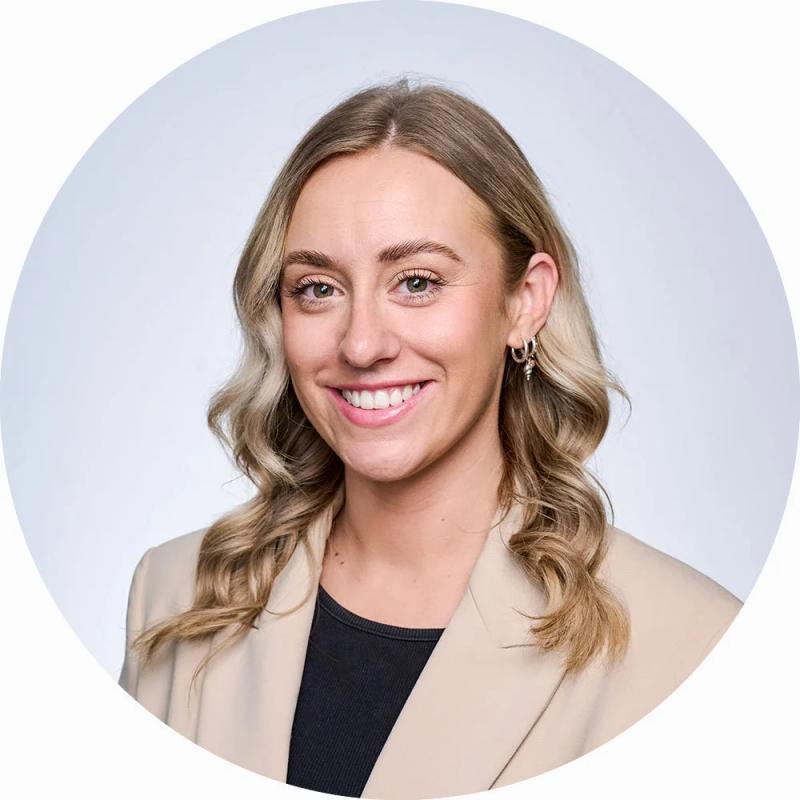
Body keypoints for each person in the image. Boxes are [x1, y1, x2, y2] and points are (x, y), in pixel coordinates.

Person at [118, 77, 741, 800]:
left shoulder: (693, 647)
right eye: (317, 288)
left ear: (525, 301)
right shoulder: (170, 596)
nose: (361, 343)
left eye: (416, 281)